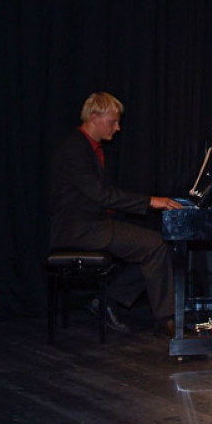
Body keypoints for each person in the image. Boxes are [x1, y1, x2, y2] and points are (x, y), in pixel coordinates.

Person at [48, 92, 182, 335]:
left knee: (155, 245)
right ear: (94, 117)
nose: (118, 128)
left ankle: (107, 300)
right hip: (78, 229)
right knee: (155, 246)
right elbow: (101, 195)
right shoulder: (74, 151)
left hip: (89, 223)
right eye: (113, 121)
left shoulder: (85, 147)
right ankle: (166, 321)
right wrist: (151, 201)